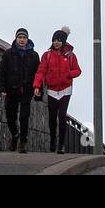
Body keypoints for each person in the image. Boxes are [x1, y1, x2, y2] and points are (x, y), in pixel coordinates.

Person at [33, 26, 81, 154]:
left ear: (63, 41)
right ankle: (53, 140)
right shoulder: (47, 55)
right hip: (52, 90)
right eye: (54, 40)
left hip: (66, 90)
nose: (56, 42)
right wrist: (37, 86)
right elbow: (40, 71)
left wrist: (68, 74)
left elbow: (78, 71)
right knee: (52, 118)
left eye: (59, 40)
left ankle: (61, 145)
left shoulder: (71, 56)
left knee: (62, 116)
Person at [0, 27, 39, 152]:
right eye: (19, 37)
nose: (22, 40)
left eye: (24, 37)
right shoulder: (8, 53)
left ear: (27, 39)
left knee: (24, 116)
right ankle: (15, 135)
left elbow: (38, 74)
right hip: (11, 90)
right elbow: (1, 72)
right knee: (10, 116)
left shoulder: (34, 55)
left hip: (27, 90)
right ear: (16, 38)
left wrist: (38, 88)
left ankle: (23, 142)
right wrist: (1, 88)